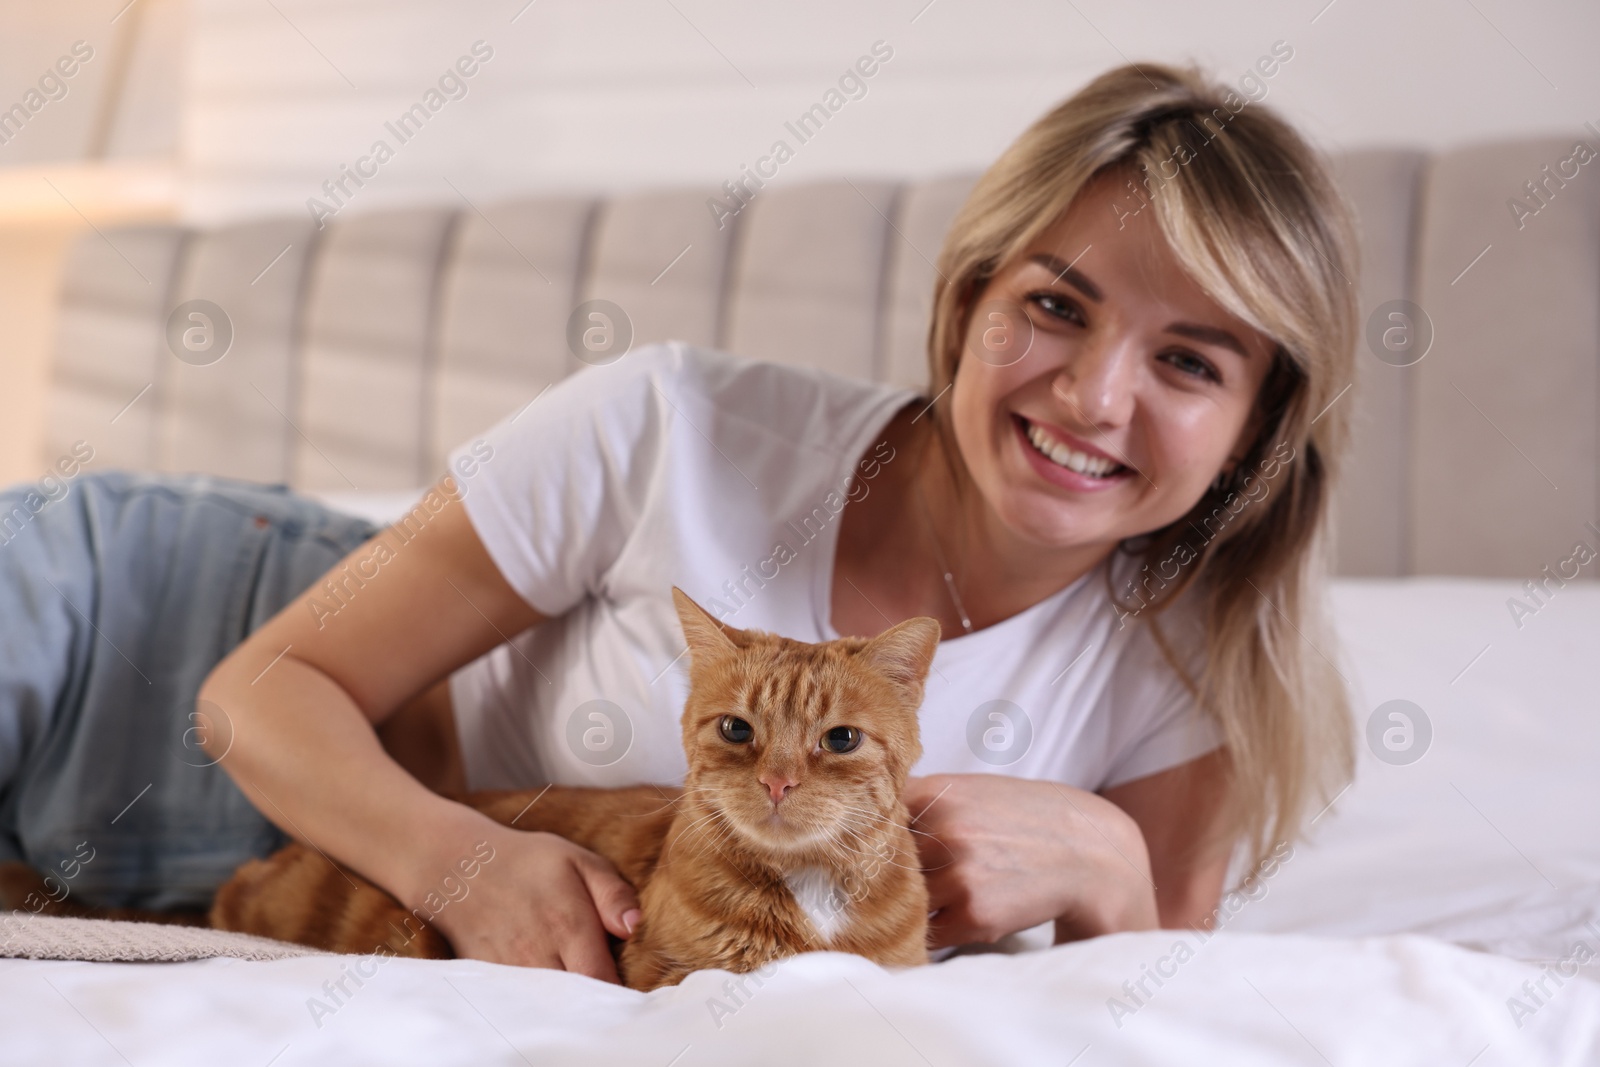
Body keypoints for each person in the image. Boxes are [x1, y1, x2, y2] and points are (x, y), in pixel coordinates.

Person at [0, 61, 1357, 981]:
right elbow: (260, 690)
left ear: (1261, 424)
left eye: (1191, 360)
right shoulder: (679, 428)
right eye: (1055, 306)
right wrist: (466, 866)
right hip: (155, 629)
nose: (1093, 393)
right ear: (970, 302)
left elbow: (1170, 994)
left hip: (250, 891)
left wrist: (1111, 863)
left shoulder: (1198, 658)